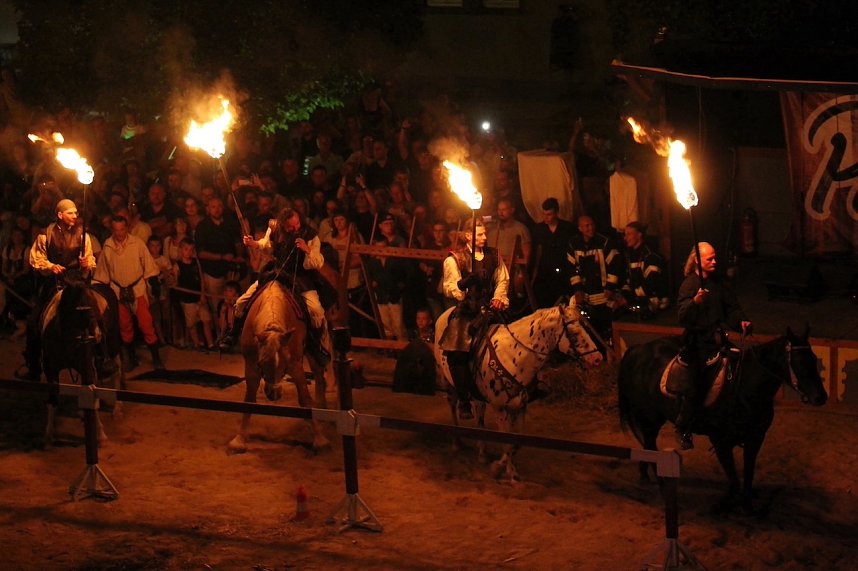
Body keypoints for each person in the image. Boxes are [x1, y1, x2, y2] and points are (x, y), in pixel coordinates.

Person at [220, 207, 331, 364]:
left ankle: (318, 346)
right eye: (291, 226)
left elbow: (318, 262)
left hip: (300, 276)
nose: (296, 228)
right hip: (277, 272)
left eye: (297, 223)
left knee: (316, 310)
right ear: (284, 225)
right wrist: (253, 243)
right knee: (241, 301)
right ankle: (233, 333)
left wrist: (307, 250)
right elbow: (267, 245)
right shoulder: (275, 229)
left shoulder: (310, 235)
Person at [674, 241, 752, 450]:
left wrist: (741, 321)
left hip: (717, 339)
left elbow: (731, 308)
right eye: (710, 259)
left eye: (715, 257)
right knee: (696, 384)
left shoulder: (718, 284)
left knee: (738, 372)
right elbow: (682, 316)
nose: (715, 261)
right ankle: (684, 426)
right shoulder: (689, 285)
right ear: (698, 261)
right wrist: (695, 302)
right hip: (697, 343)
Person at [15, 198, 100, 380]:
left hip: (76, 282)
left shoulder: (83, 235)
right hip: (53, 283)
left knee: (97, 312)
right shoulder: (45, 235)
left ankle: (102, 358)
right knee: (33, 321)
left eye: (76, 213)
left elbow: (89, 259)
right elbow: (36, 259)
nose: (75, 216)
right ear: (60, 215)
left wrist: (86, 263)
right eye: (70, 213)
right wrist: (50, 266)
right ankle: (33, 363)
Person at [438, 219, 509, 420]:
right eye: (479, 234)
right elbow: (449, 287)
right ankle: (464, 399)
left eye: (485, 234)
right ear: (468, 236)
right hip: (468, 310)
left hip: (489, 307)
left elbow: (502, 279)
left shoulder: (493, 255)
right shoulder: (455, 259)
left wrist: (498, 298)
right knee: (456, 352)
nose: (484, 238)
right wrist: (464, 285)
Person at [94, 215, 164, 371]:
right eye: (116, 229)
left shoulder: (137, 243)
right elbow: (102, 271)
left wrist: (153, 281)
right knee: (125, 327)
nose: (119, 233)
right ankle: (131, 358)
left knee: (146, 325)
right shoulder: (108, 245)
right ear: (112, 230)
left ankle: (156, 359)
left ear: (127, 228)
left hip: (137, 289)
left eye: (122, 229)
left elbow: (148, 263)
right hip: (118, 291)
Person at [566, 215, 622, 341]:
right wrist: (577, 289)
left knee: (605, 328)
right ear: (580, 228)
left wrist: (610, 287)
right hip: (585, 296)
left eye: (592, 225)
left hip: (603, 295)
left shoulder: (604, 242)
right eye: (587, 226)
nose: (590, 228)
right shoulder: (573, 244)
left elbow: (615, 266)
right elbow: (571, 268)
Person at [617, 221, 668, 318]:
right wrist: (624, 295)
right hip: (638, 306)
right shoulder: (630, 256)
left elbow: (650, 285)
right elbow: (628, 280)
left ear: (639, 235)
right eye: (625, 234)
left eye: (629, 234)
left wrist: (628, 298)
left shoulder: (650, 256)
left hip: (656, 310)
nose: (625, 238)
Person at [531, 197, 575, 308]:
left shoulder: (567, 228)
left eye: (549, 214)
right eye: (544, 214)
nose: (546, 217)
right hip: (546, 273)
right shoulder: (539, 229)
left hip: (564, 272)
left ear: (556, 213)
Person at [173, 238, 215, 351]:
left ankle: (210, 344)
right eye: (186, 249)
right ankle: (197, 344)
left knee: (206, 319)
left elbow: (201, 278)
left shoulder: (196, 262)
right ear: (181, 250)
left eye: (191, 250)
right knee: (191, 324)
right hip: (187, 300)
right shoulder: (177, 266)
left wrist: (202, 294)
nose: (188, 252)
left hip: (199, 298)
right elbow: (174, 282)